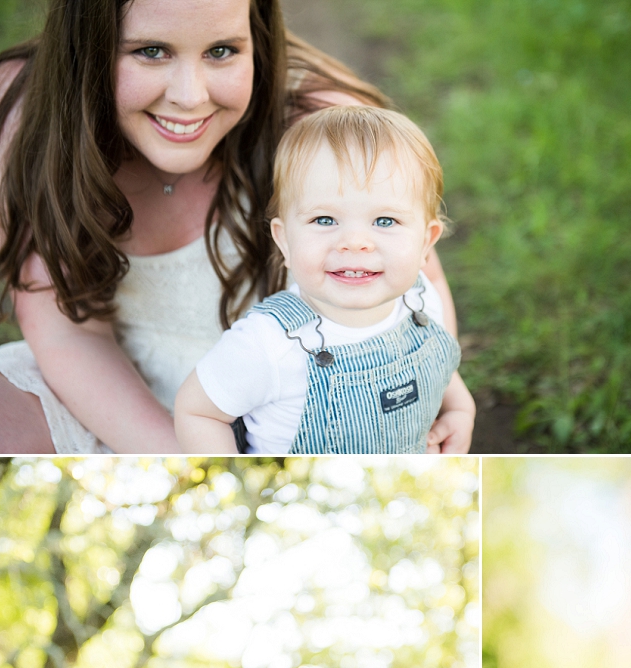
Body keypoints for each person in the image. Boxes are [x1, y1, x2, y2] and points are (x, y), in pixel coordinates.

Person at [0, 0, 474, 454]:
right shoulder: (30, 122)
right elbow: (70, 334)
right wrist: (196, 464)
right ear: (85, 44)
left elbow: (417, 278)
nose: (189, 97)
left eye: (221, 51)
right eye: (150, 51)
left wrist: (429, 406)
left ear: (256, 38)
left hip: (293, 402)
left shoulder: (322, 132)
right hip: (111, 392)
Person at [175, 105, 471, 453]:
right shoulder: (267, 344)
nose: (355, 242)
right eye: (325, 220)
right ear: (284, 240)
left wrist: (461, 408)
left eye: (385, 221)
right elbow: (197, 411)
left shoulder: (421, 303)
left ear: (426, 241)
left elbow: (440, 368)